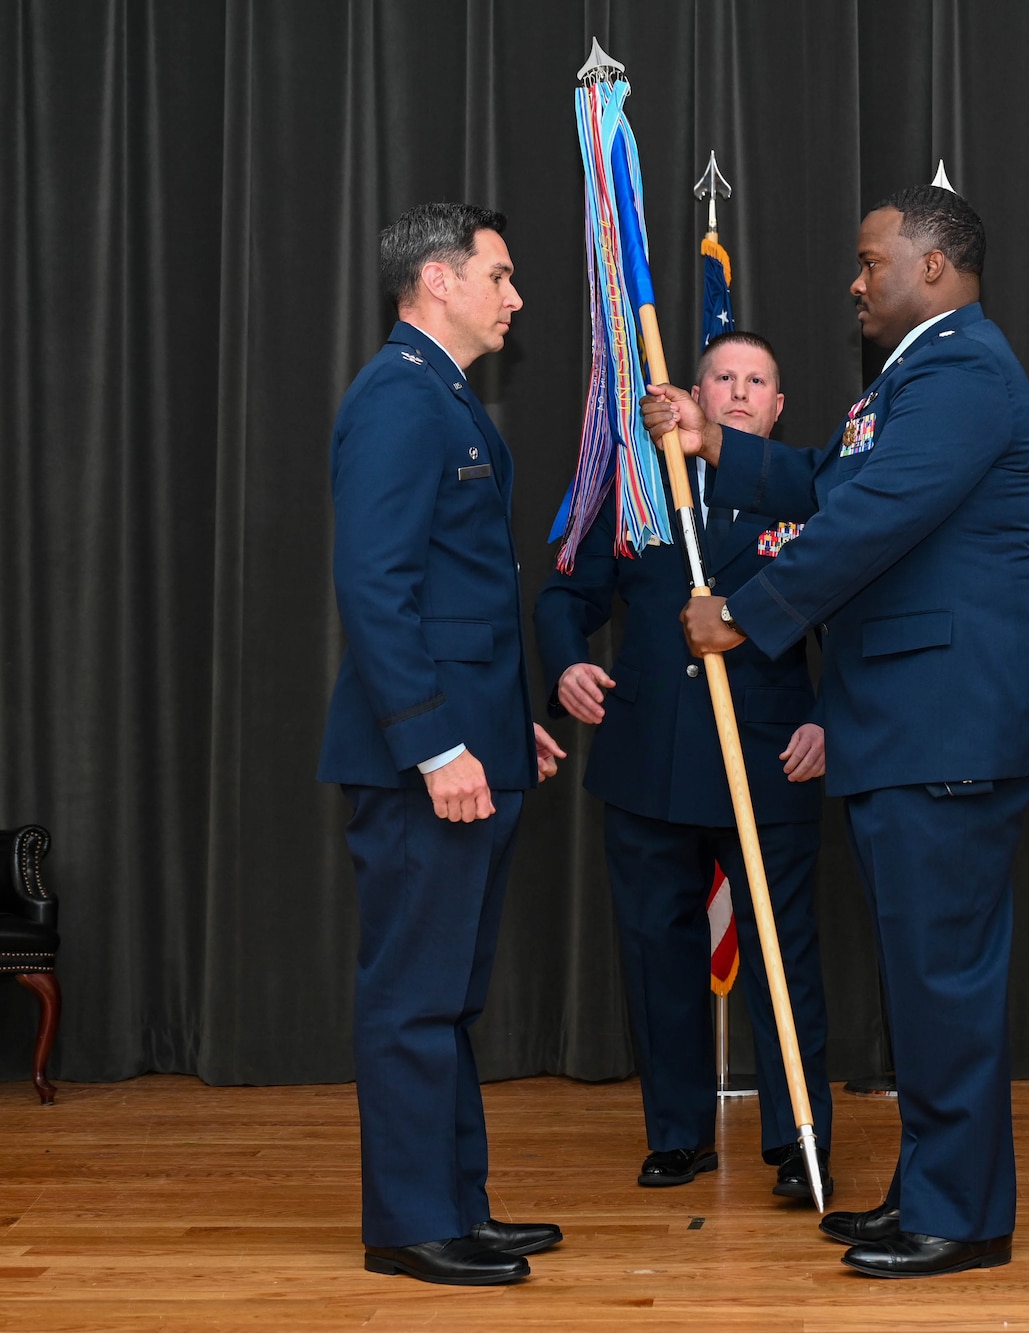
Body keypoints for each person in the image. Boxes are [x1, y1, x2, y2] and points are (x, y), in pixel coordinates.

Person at [643, 184, 1029, 1279]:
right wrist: (713, 442)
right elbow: (825, 483)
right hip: (908, 721)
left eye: (871, 261)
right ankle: (932, 1191)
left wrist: (745, 614)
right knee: (922, 977)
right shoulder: (908, 379)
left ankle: (961, 1216)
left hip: (952, 718)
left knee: (944, 977)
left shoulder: (964, 371)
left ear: (932, 266)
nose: (855, 280)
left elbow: (876, 519)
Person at [317, 201, 569, 1287]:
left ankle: (457, 1205)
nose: (516, 298)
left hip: (473, 746)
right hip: (422, 765)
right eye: (499, 276)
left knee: (449, 997)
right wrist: (433, 747)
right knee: (412, 998)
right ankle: (410, 1223)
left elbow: (458, 596)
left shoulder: (445, 395)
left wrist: (504, 722)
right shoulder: (397, 396)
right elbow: (375, 589)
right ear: (438, 280)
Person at [533, 330, 835, 1201]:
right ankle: (678, 1133)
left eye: (757, 381)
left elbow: (854, 624)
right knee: (657, 955)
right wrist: (567, 662)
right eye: (723, 377)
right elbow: (565, 595)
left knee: (783, 958)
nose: (738, 392)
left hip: (769, 762)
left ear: (779, 406)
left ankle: (797, 1138)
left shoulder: (812, 502)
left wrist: (831, 721)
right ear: (692, 396)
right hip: (649, 764)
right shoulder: (642, 491)